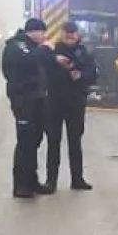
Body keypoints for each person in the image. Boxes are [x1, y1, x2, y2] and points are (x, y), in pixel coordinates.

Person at [43, 21, 97, 192]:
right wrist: (58, 64)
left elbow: (93, 75)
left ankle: (77, 179)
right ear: (61, 33)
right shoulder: (51, 52)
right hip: (54, 102)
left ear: (77, 34)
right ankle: (51, 181)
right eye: (67, 32)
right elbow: (43, 71)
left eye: (72, 33)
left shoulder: (84, 53)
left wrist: (80, 75)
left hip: (76, 103)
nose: (69, 36)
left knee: (75, 142)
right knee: (53, 142)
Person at [2, 17, 52, 198]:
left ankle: (32, 181)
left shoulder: (32, 47)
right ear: (34, 31)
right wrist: (45, 49)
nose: (44, 36)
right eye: (42, 32)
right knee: (25, 142)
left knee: (35, 140)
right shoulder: (17, 45)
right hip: (23, 99)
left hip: (37, 98)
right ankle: (21, 185)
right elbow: (27, 61)